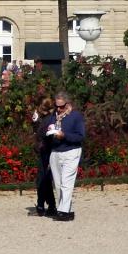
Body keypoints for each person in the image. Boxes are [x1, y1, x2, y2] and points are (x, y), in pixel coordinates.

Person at [44, 91, 85, 221]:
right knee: (58, 183)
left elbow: (80, 136)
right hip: (56, 151)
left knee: (67, 182)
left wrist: (65, 136)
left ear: (68, 104)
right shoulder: (54, 116)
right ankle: (68, 209)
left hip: (71, 151)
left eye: (61, 106)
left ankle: (63, 211)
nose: (59, 109)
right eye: (57, 106)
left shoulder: (76, 116)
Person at [31, 96, 57, 216]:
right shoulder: (49, 118)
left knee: (43, 179)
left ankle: (43, 205)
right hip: (46, 150)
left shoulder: (48, 119)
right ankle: (48, 205)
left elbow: (40, 134)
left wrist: (35, 122)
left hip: (47, 151)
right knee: (44, 179)